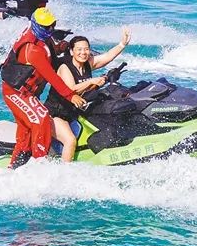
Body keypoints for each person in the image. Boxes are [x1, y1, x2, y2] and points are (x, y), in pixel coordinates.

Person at [0, 8, 87, 168]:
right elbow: (52, 77)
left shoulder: (37, 37)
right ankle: (39, 163)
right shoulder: (32, 50)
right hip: (16, 93)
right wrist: (71, 96)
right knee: (41, 118)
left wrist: (60, 47)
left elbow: (49, 48)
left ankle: (16, 165)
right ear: (37, 26)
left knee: (26, 131)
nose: (50, 30)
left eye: (52, 25)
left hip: (28, 93)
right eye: (46, 27)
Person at [44, 27, 132, 162]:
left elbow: (107, 56)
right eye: (79, 49)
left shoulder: (87, 64)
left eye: (86, 49)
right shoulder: (65, 67)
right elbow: (71, 90)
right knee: (70, 141)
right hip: (55, 114)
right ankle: (63, 174)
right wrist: (92, 81)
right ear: (72, 51)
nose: (83, 53)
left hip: (73, 113)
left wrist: (122, 44)